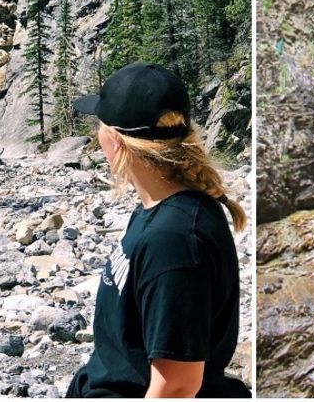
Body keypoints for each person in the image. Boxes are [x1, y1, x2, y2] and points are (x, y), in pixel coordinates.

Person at [65, 62, 251, 398]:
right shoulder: (161, 209)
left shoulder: (174, 241)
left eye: (99, 126)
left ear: (115, 140)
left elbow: (177, 386)